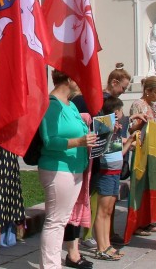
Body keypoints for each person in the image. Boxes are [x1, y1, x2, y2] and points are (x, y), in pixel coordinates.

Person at [38, 70, 97, 269]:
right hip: (58, 168)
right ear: (69, 79)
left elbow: (82, 131)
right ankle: (50, 265)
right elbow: (49, 141)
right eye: (78, 78)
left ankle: (53, 264)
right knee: (55, 221)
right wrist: (79, 141)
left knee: (61, 220)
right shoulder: (51, 105)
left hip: (74, 168)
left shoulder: (71, 105)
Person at [91, 95, 131, 261]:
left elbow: (118, 152)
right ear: (116, 111)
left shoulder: (115, 127)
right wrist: (111, 133)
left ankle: (107, 244)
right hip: (106, 173)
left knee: (108, 211)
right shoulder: (103, 125)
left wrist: (129, 142)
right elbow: (100, 149)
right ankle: (101, 247)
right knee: (103, 211)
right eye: (121, 110)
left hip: (115, 172)